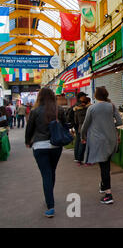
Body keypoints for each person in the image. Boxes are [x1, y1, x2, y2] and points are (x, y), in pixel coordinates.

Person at [25, 88, 67, 218]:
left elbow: (30, 128)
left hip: (40, 146)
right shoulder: (59, 110)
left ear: (40, 97)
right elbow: (65, 126)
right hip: (56, 146)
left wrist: (27, 141)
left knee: (46, 174)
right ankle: (50, 196)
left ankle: (50, 205)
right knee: (51, 171)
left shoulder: (35, 111)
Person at [81, 87, 122, 205]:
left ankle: (108, 195)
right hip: (111, 139)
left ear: (96, 96)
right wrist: (109, 125)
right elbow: (119, 122)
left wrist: (83, 136)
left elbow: (85, 125)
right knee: (106, 164)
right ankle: (104, 186)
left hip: (98, 141)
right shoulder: (112, 106)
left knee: (104, 167)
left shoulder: (92, 108)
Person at [66, 92, 87, 163]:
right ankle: (79, 158)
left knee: (78, 140)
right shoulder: (81, 105)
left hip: (76, 124)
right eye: (84, 96)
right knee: (81, 140)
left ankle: (76, 157)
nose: (85, 97)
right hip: (79, 124)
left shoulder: (75, 105)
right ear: (81, 97)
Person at [74, 96, 91, 166]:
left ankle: (79, 160)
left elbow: (76, 121)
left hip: (80, 128)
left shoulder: (76, 110)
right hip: (88, 128)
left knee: (82, 144)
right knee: (89, 145)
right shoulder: (88, 109)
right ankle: (87, 161)